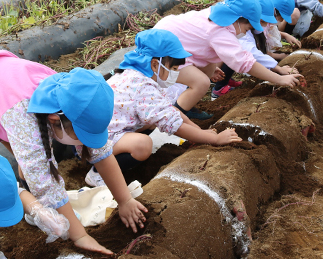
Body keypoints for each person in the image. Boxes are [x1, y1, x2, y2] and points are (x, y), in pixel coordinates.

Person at [0, 50, 147, 254]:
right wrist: (80, 236)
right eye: (82, 136)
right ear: (55, 120)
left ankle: (34, 209)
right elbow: (44, 181)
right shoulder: (22, 117)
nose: (86, 143)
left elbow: (99, 152)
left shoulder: (67, 96)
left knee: (29, 163)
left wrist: (124, 200)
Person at [84, 29, 242, 183]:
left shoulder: (142, 77)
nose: (175, 73)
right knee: (143, 146)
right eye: (173, 69)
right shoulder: (141, 86)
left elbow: (172, 113)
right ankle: (99, 173)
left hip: (105, 132)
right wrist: (214, 139)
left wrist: (200, 133)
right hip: (92, 143)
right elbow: (175, 126)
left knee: (152, 122)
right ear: (154, 64)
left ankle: (109, 160)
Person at [154, 0, 301, 119]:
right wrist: (279, 79)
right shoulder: (219, 31)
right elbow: (244, 63)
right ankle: (175, 118)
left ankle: (187, 104)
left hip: (170, 38)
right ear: (237, 20)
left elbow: (202, 47)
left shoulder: (218, 16)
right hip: (163, 47)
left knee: (208, 70)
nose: (245, 32)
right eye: (247, 27)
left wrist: (210, 70)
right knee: (201, 82)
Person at [212, 0, 298, 99]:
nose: (265, 25)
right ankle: (218, 90)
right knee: (231, 56)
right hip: (192, 63)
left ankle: (223, 78)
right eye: (262, 21)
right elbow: (249, 54)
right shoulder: (238, 30)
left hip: (210, 56)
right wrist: (278, 70)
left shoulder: (241, 24)